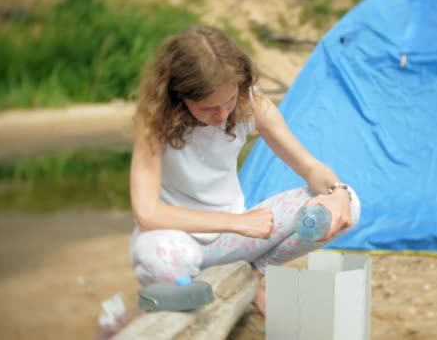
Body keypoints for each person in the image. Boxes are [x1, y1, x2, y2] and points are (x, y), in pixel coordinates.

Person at [129, 25, 361, 316]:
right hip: (176, 238)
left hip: (234, 240)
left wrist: (336, 193)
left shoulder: (250, 101)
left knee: (346, 207)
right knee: (165, 257)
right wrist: (236, 222)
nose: (223, 114)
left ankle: (254, 277)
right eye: (208, 108)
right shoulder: (154, 119)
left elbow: (310, 167)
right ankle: (188, 302)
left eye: (228, 101)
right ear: (179, 98)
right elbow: (147, 214)